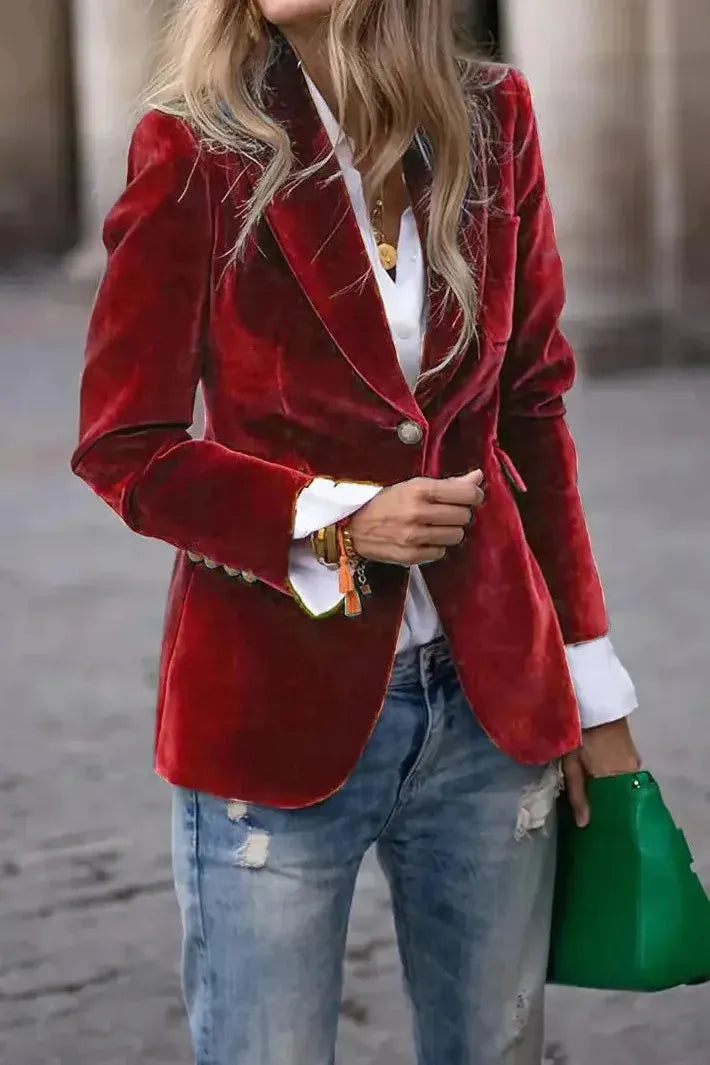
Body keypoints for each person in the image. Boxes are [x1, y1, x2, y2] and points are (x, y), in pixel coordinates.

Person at [71, 1, 641, 1062]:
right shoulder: (195, 145)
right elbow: (126, 446)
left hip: (492, 708)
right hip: (271, 707)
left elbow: (531, 411)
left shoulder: (493, 119)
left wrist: (594, 696)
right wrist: (334, 519)